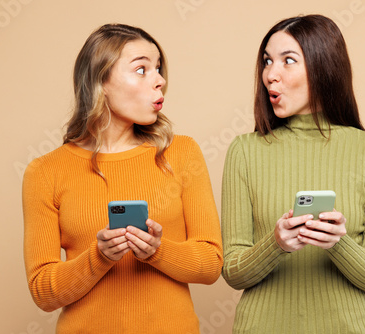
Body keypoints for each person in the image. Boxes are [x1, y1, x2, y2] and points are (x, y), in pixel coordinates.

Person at [22, 23, 223, 333]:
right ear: (101, 81)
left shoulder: (182, 152)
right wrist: (99, 257)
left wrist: (158, 250)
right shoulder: (45, 171)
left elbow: (211, 263)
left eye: (158, 68)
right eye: (142, 70)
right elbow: (43, 292)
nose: (160, 80)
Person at [221, 15, 365, 333]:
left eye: (288, 60)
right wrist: (276, 243)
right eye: (267, 61)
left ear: (324, 67)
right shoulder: (244, 151)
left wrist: (338, 243)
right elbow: (233, 273)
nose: (270, 76)